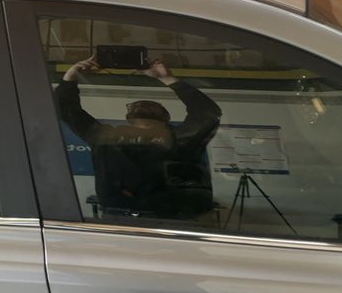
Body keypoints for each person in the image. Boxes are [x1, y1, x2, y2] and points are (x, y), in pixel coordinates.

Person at [55, 56, 222, 217]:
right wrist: (71, 76)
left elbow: (208, 113)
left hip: (175, 219)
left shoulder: (182, 138)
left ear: (165, 116)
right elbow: (67, 110)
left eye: (149, 105)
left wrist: (167, 78)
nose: (141, 105)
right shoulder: (107, 137)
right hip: (124, 219)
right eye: (136, 105)